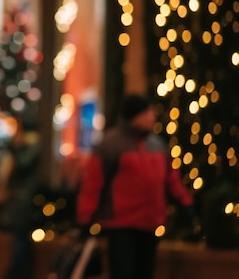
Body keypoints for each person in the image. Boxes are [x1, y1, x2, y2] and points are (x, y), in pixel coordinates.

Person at [76, 94, 194, 279]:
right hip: (121, 224)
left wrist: (185, 202)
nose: (152, 117)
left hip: (149, 222)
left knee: (144, 273)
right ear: (134, 116)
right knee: (123, 273)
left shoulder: (157, 144)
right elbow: (93, 184)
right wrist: (85, 218)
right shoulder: (110, 145)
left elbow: (171, 178)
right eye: (146, 113)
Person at [0, 114, 41, 279]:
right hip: (17, 200)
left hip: (23, 200)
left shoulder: (30, 147)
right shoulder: (17, 149)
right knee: (17, 237)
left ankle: (19, 271)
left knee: (21, 238)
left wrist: (15, 148)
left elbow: (23, 164)